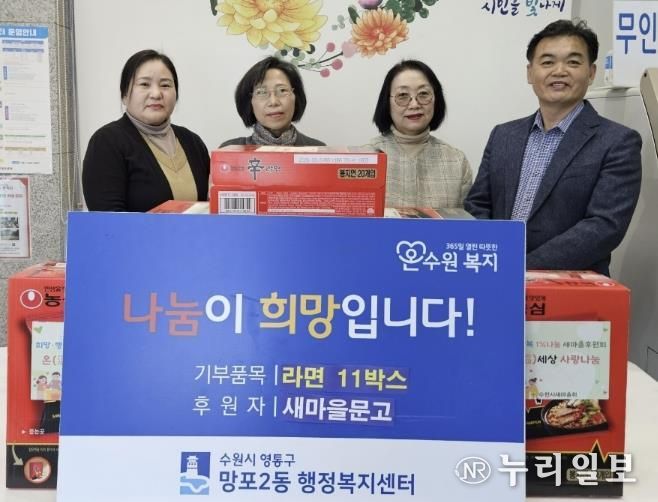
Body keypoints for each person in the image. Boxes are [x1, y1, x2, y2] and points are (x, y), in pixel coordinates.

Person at [464, 20, 642, 276]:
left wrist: (520, 266)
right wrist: (493, 257)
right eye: (547, 62)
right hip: (496, 275)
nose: (559, 71)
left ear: (591, 72)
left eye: (573, 62)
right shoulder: (503, 135)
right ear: (530, 73)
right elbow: (478, 204)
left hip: (569, 286)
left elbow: (604, 226)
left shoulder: (618, 141)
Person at [82, 50, 210, 212]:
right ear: (124, 95)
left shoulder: (192, 142)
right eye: (144, 84)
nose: (156, 94)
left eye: (165, 85)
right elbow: (108, 220)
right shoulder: (107, 142)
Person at [370, 60, 472, 208]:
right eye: (403, 95)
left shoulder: (456, 161)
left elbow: (467, 220)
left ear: (436, 99)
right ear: (387, 102)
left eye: (423, 94)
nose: (414, 104)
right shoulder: (366, 158)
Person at [221, 56, 324, 147]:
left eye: (282, 90)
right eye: (261, 92)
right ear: (250, 102)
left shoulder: (319, 150)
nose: (273, 102)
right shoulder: (229, 151)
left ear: (296, 97)